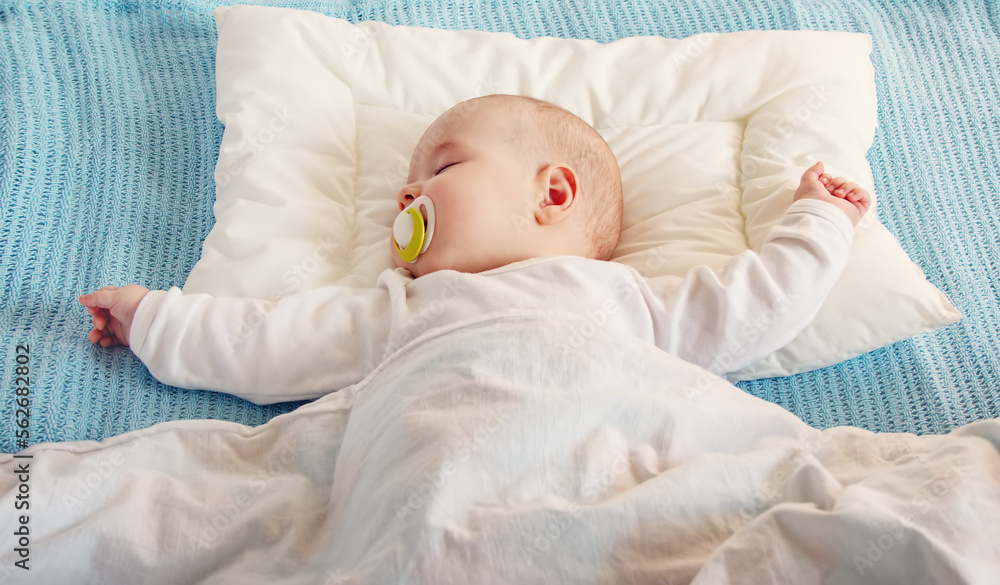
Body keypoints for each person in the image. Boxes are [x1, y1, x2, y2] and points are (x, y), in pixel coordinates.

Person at [78, 94, 870, 404]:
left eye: (442, 168)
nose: (406, 199)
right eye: (404, 189)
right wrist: (156, 319)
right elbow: (265, 344)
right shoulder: (398, 309)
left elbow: (755, 303)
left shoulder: (630, 302)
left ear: (551, 194)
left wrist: (817, 220)